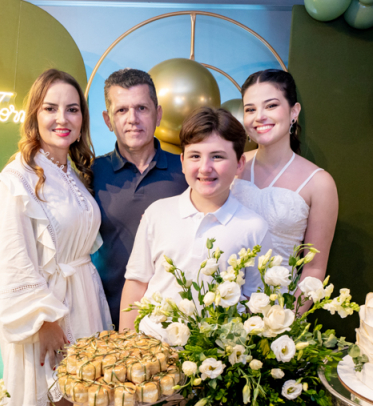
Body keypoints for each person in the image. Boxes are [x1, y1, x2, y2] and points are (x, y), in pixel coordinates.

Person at [0, 69, 110, 406]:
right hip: (51, 310)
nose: (62, 118)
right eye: (50, 108)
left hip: (85, 297)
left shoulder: (70, 171)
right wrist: (46, 321)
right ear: (34, 114)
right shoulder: (14, 179)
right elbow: (16, 261)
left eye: (72, 109)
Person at [119, 107, 270, 332]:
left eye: (217, 156)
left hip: (217, 358)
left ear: (240, 163)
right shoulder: (157, 213)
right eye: (195, 156)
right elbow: (136, 282)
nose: (205, 168)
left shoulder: (254, 228)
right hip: (151, 349)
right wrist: (126, 345)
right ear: (182, 161)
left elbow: (255, 303)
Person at [91, 68, 188, 328]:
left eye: (142, 108)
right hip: (105, 320)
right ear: (107, 120)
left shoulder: (188, 172)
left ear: (158, 114)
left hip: (176, 324)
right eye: (121, 110)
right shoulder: (90, 175)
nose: (132, 119)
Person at [233, 69, 338, 289]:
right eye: (250, 109)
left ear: (294, 111)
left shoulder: (319, 183)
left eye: (271, 105)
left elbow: (314, 269)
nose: (259, 116)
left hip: (277, 309)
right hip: (218, 304)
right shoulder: (233, 166)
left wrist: (288, 320)